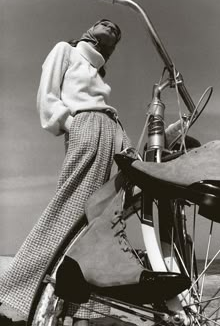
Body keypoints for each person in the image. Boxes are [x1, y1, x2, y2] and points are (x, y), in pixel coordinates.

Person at [0, 19, 130, 326]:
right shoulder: (66, 50)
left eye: (115, 29)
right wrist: (70, 123)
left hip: (112, 129)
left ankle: (78, 309)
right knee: (70, 211)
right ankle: (14, 290)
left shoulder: (97, 70)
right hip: (86, 125)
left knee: (99, 222)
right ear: (88, 31)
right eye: (103, 22)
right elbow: (47, 95)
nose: (109, 25)